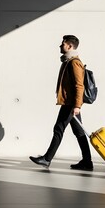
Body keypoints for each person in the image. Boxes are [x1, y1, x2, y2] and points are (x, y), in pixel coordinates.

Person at [29, 35, 93, 171]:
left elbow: (79, 86)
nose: (60, 46)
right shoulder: (68, 61)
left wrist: (77, 106)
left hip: (71, 104)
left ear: (69, 46)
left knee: (58, 129)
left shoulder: (74, 62)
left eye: (62, 44)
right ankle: (87, 162)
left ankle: (46, 159)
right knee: (79, 132)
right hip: (70, 103)